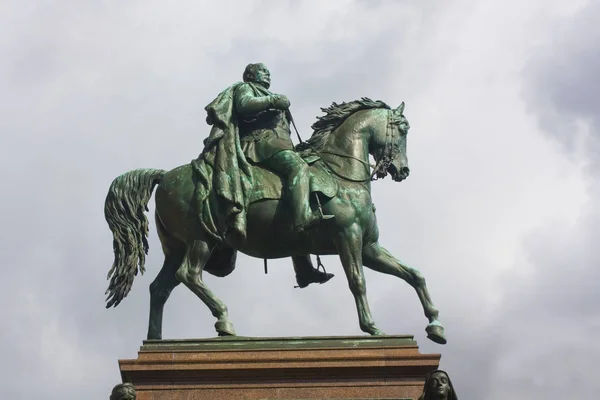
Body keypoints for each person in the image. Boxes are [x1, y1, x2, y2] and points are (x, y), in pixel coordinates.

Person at [233, 63, 334, 232]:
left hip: (277, 145)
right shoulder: (246, 87)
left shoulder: (269, 95)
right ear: (250, 76)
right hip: (261, 144)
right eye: (263, 71)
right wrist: (272, 100)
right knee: (298, 167)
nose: (267, 74)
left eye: (269, 72)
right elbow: (244, 104)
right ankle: (302, 217)